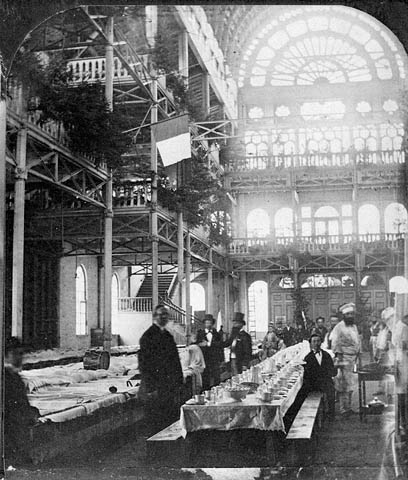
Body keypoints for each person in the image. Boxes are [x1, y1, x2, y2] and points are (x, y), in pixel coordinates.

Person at [138, 305, 184, 432]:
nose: (164, 317)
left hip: (168, 385)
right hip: (156, 387)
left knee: (168, 419)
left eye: (165, 314)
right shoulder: (148, 336)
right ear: (154, 317)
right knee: (155, 421)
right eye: (160, 314)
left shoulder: (167, 335)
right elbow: (144, 365)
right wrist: (151, 387)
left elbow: (175, 361)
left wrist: (179, 381)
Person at [5, 337, 39, 466]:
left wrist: (32, 412)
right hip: (10, 439)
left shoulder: (14, 376)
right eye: (17, 354)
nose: (21, 358)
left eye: (22, 354)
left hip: (16, 439)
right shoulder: (7, 378)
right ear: (7, 354)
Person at [330, 303, 361, 416]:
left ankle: (349, 407)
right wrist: (339, 358)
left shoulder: (354, 326)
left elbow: (357, 341)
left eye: (352, 314)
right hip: (344, 358)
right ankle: (344, 409)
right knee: (343, 384)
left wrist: (358, 353)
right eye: (348, 314)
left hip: (354, 358)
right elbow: (335, 343)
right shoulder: (339, 327)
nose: (350, 316)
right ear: (344, 315)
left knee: (351, 384)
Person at [196, 313, 224, 390]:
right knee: (205, 378)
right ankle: (206, 394)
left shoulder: (217, 334)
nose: (208, 324)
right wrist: (200, 344)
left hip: (215, 359)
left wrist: (222, 359)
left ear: (212, 323)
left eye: (210, 322)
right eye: (207, 322)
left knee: (216, 378)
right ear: (204, 323)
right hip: (204, 359)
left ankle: (217, 393)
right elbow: (196, 345)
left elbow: (220, 346)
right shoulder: (200, 333)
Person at [393, 313, 408, 436]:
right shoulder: (402, 327)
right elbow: (403, 345)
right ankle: (403, 423)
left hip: (402, 363)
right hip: (403, 364)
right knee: (402, 395)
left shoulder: (400, 326)